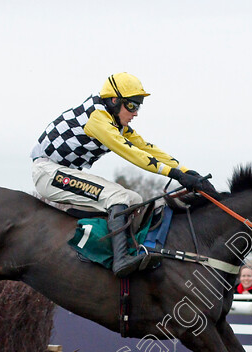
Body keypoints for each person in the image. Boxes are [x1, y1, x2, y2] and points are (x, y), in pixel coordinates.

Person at [31, 72, 215, 278]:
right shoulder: (97, 119)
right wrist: (174, 174)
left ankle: (115, 249)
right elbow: (131, 153)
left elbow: (147, 148)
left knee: (134, 199)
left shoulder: (113, 120)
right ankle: (120, 260)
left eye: (138, 106)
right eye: (132, 106)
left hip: (62, 171)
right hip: (48, 174)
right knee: (118, 198)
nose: (135, 113)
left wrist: (185, 171)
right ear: (114, 101)